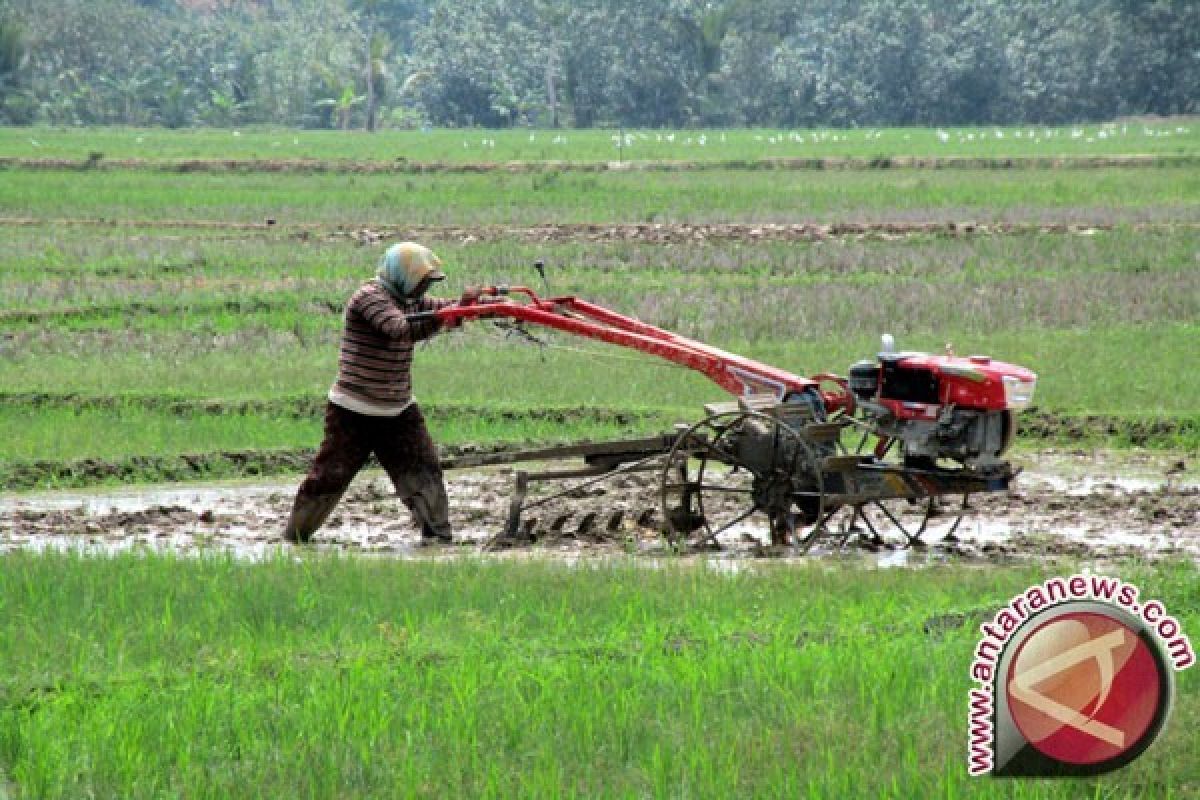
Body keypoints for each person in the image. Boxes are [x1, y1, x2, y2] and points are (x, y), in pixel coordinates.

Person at [283, 241, 480, 545]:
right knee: (328, 478)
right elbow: (398, 328)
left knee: (425, 474)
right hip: (352, 411)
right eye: (422, 282)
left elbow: (440, 312)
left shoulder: (411, 301)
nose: (424, 290)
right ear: (403, 276)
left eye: (428, 284)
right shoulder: (369, 297)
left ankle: (439, 539)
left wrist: (467, 306)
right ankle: (295, 538)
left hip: (398, 411)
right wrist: (448, 317)